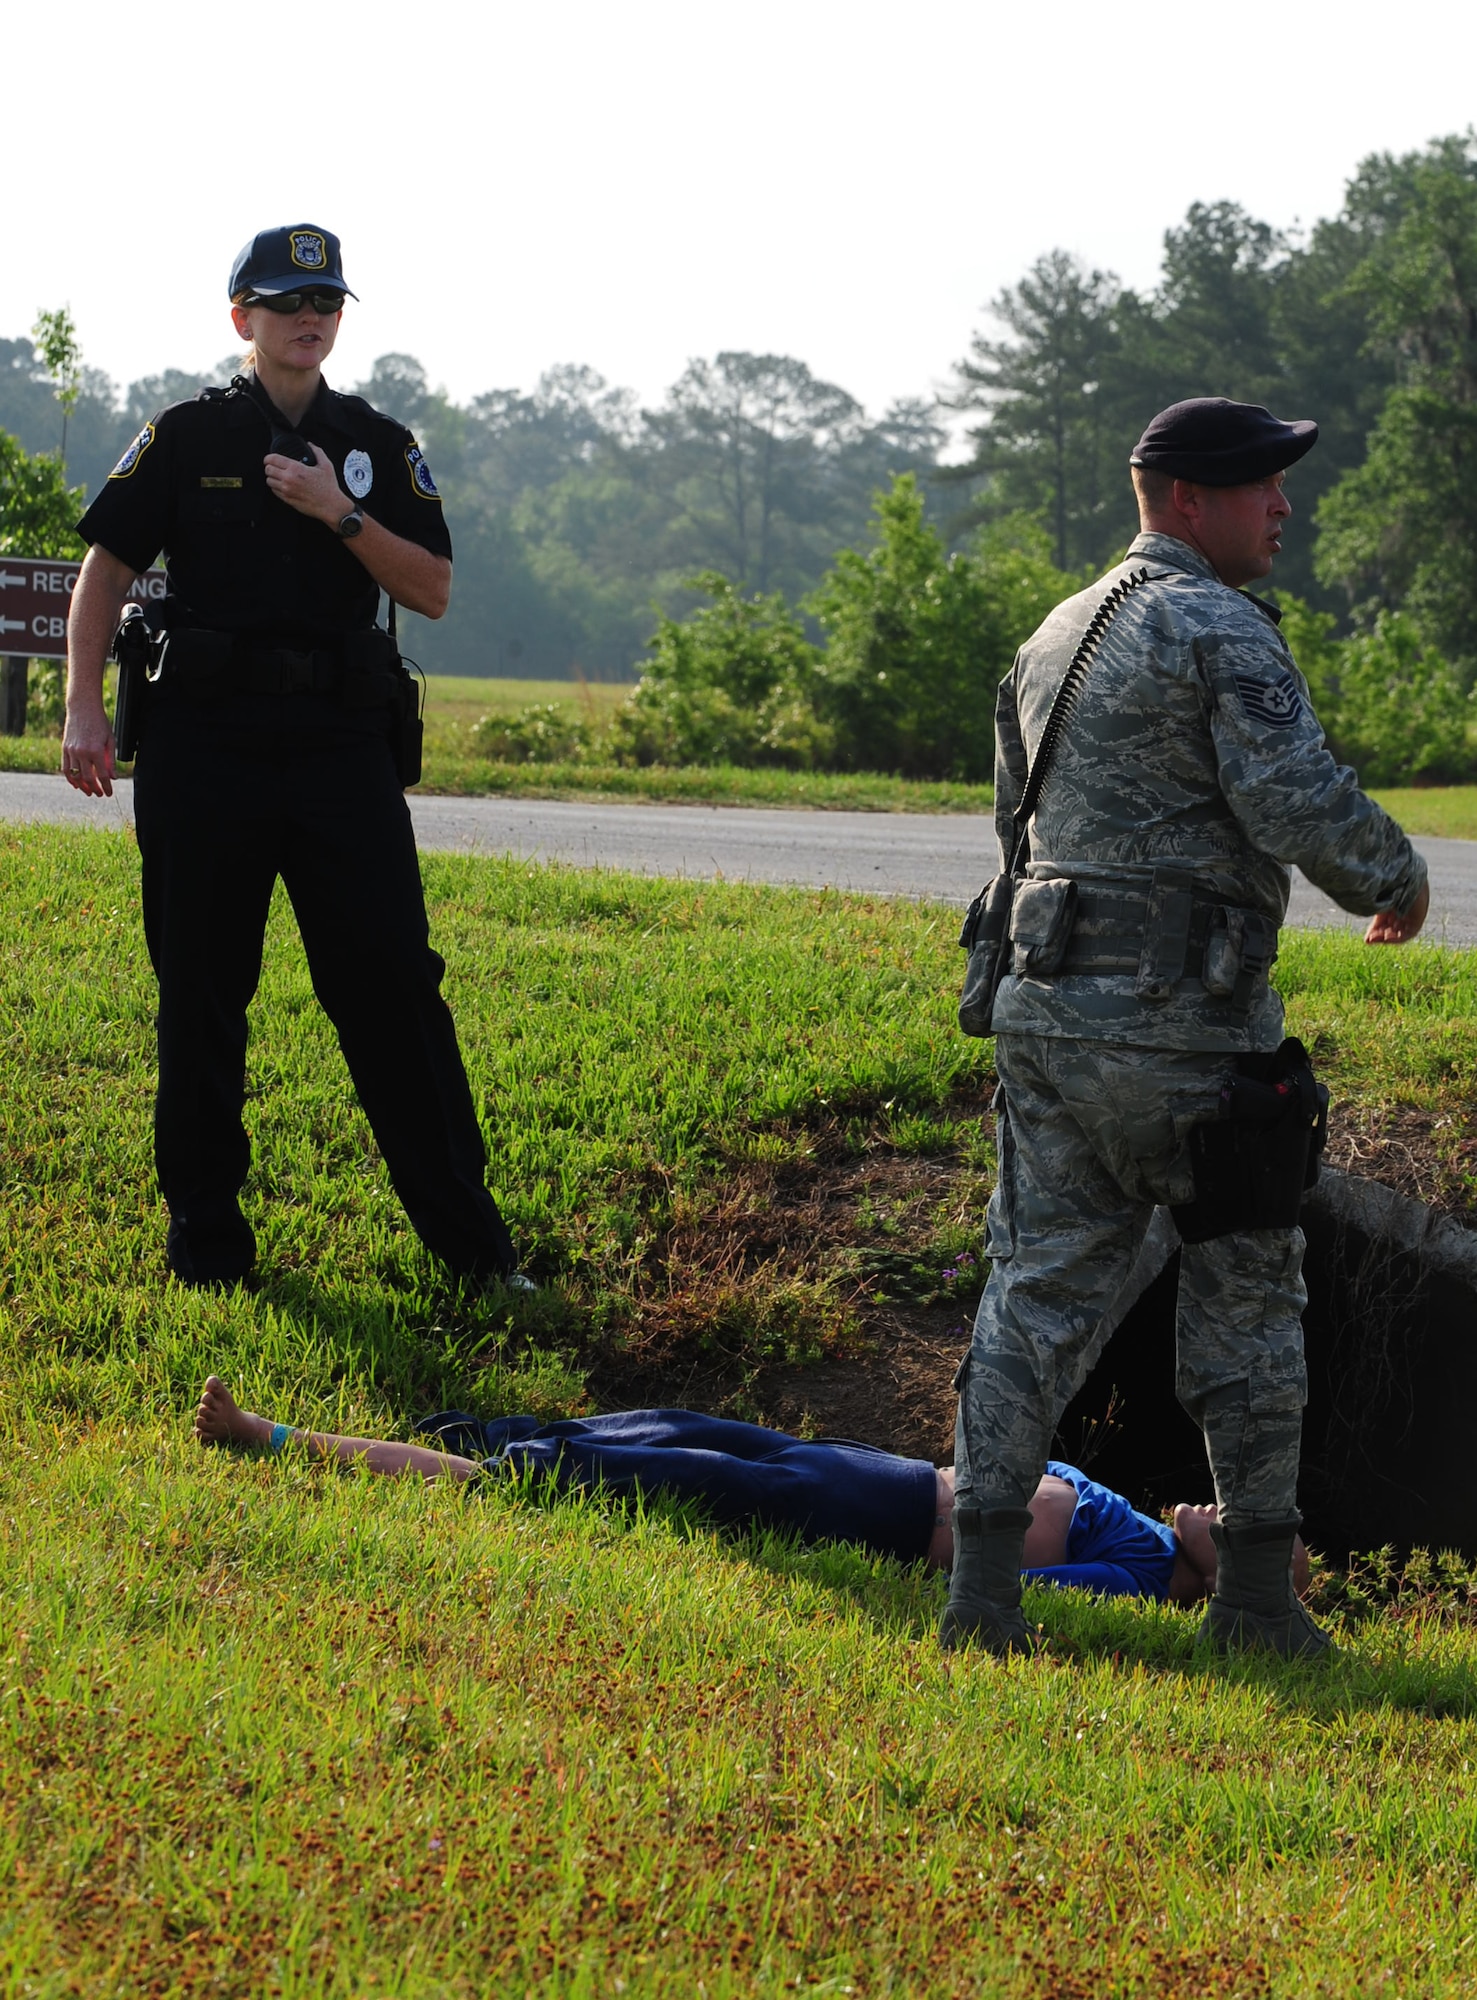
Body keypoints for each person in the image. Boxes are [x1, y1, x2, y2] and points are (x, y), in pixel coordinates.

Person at [944, 398, 1428, 1662]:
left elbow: (1014, 822)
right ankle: (1257, 1605)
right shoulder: (1218, 626)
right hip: (1189, 1045)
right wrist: (1394, 874)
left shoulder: (1054, 629)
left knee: (1033, 1294)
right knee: (1250, 1305)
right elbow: (1291, 795)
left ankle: (981, 1596)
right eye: (1264, 485)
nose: (1283, 506)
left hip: (1045, 1022)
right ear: (1189, 500)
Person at [61, 224, 524, 1291]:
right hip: (203, 747)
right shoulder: (183, 436)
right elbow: (103, 570)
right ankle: (210, 1251)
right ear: (243, 320)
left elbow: (432, 589)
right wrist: (82, 709)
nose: (307, 320)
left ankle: (475, 1250)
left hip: (338, 750)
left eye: (324, 303)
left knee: (395, 987)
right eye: (283, 302)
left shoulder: (374, 440)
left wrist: (339, 512)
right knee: (203, 991)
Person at [191, 1376, 1313, 1607]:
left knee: (574, 1479)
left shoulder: (1139, 1574)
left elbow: (1006, 1579)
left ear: (1226, 1577)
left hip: (874, 1514)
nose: (1220, 1508)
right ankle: (448, 1433)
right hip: (871, 1469)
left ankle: (277, 1439)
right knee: (642, 1427)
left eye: (1244, 1532)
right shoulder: (1147, 1532)